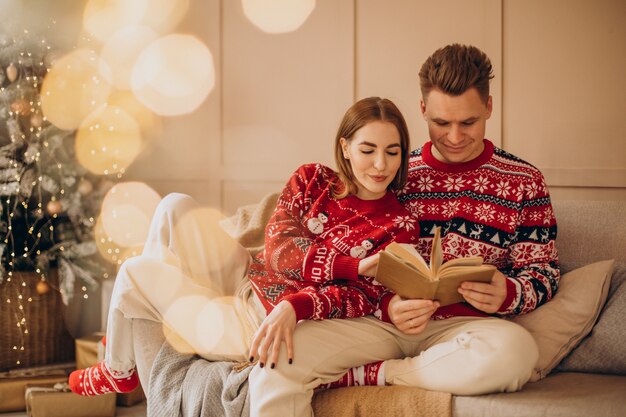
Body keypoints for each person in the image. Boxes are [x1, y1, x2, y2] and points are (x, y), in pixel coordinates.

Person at [248, 44, 559, 416]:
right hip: (376, 321)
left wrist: (509, 292)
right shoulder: (391, 168)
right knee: (277, 358)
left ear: (489, 108)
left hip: (462, 330)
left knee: (518, 353)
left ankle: (379, 374)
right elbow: (335, 229)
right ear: (423, 110)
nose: (456, 136)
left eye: (469, 122)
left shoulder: (524, 181)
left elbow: (545, 272)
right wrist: (387, 303)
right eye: (442, 123)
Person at [67, 96, 420, 397]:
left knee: (133, 272)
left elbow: (362, 299)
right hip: (248, 276)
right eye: (368, 150)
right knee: (174, 205)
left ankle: (119, 361)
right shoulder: (313, 178)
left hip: (257, 322)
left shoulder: (400, 225)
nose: (380, 165)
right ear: (345, 146)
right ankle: (127, 351)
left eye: (392, 152)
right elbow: (280, 249)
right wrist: (353, 266)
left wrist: (297, 303)